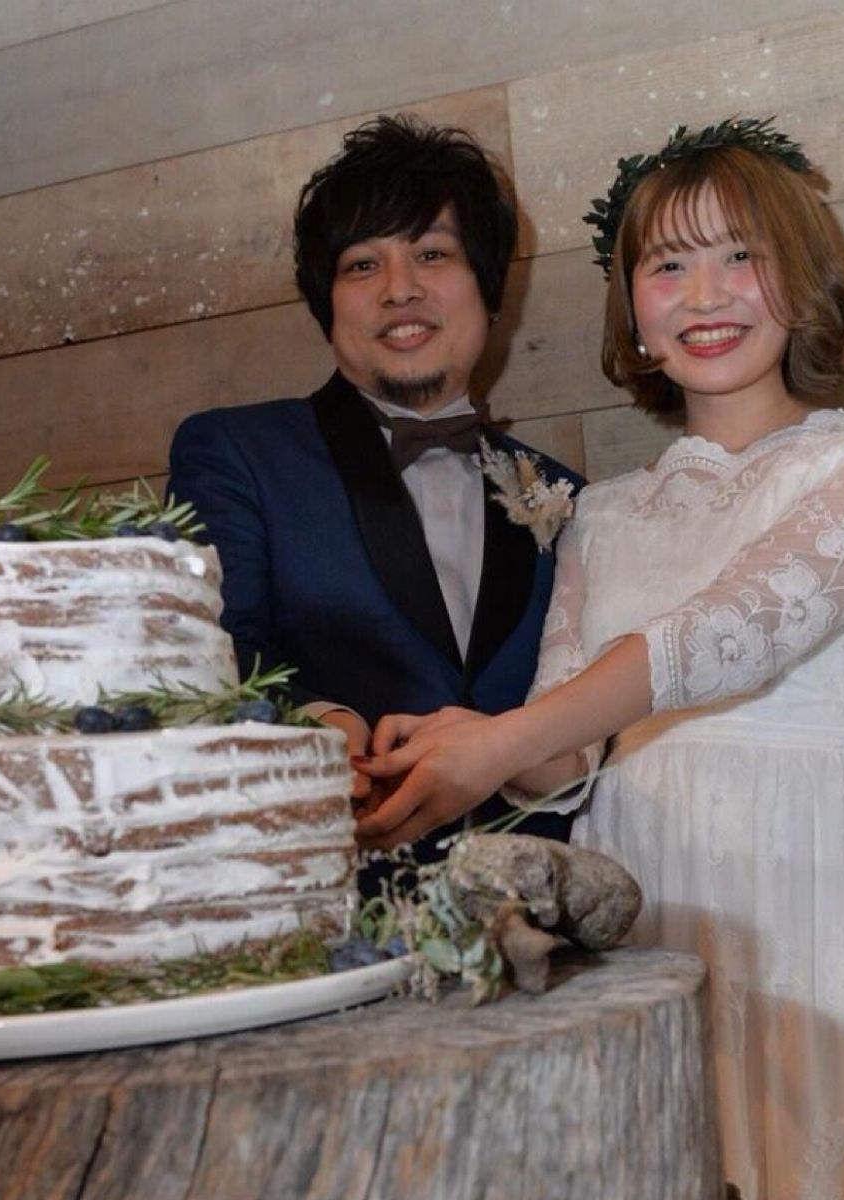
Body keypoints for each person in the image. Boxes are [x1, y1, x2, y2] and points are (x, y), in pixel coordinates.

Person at [355, 117, 844, 1200]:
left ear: (801, 275)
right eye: (666, 264)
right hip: (640, 883)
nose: (703, 294)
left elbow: (729, 635)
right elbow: (565, 753)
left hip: (811, 870)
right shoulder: (602, 513)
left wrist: (507, 737)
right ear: (630, 309)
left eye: (739, 255)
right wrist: (467, 738)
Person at [169, 115, 582, 886]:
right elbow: (201, 648)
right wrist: (318, 721)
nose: (400, 289)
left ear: (491, 290)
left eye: (433, 254)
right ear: (326, 303)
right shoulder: (237, 455)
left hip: (536, 909)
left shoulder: (566, 497)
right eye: (362, 265)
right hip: (327, 901)